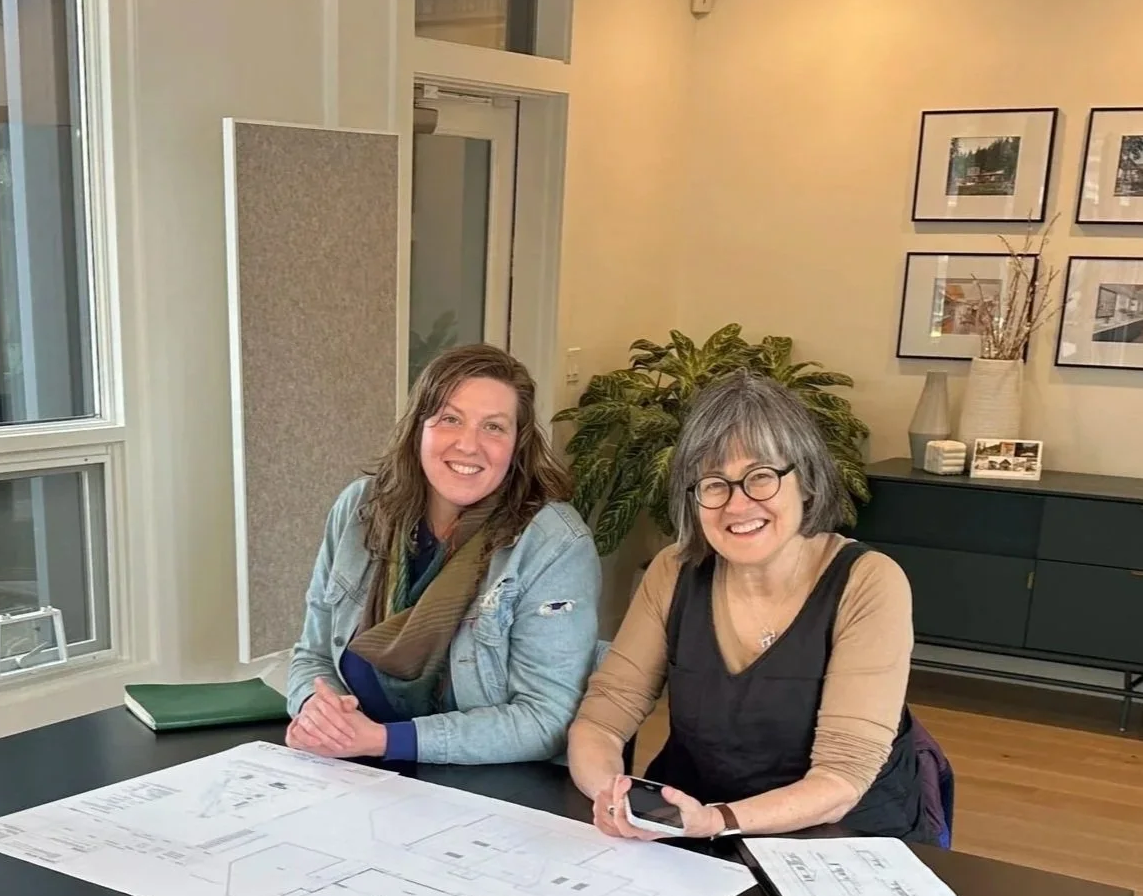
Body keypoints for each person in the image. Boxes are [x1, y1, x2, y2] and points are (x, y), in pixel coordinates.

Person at [569, 370, 923, 842]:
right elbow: (602, 718)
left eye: (760, 477)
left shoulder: (869, 581)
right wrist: (613, 798)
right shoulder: (674, 570)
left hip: (834, 834)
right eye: (714, 484)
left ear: (806, 482)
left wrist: (716, 821)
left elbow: (841, 780)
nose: (737, 506)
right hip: (686, 825)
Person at [285, 343, 600, 765]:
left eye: (494, 427)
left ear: (517, 445)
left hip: (483, 785)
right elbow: (313, 655)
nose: (468, 445)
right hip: (353, 770)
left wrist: (382, 740)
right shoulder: (359, 509)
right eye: (450, 419)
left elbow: (546, 719)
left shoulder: (555, 544)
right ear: (419, 427)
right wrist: (317, 712)